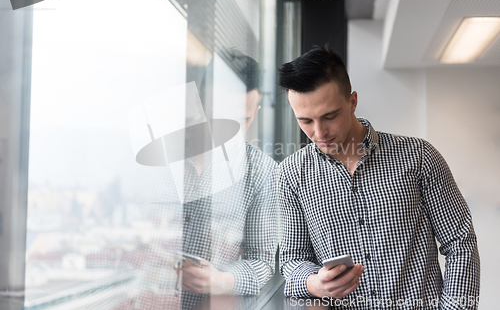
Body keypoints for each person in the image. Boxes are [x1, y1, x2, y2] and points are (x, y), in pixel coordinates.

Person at [277, 45, 480, 309]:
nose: (319, 132)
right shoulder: (291, 174)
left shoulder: (419, 156)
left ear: (352, 102)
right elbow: (293, 260)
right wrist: (314, 283)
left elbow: (460, 242)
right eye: (305, 121)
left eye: (329, 116)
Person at [178, 52, 278, 309]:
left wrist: (221, 280)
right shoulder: (165, 159)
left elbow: (263, 263)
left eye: (241, 120)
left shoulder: (262, 171)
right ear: (199, 101)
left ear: (255, 113)